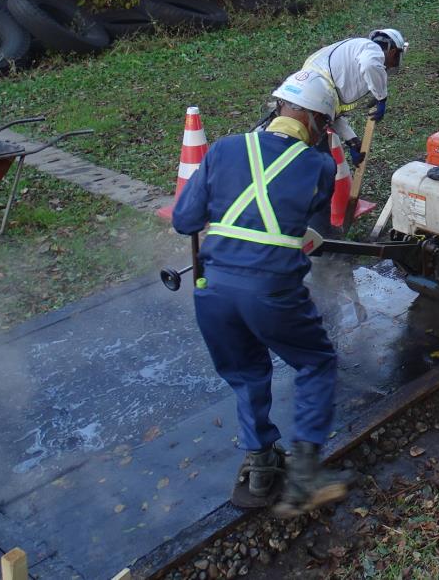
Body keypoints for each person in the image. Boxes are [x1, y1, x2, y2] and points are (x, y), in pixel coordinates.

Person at [172, 69, 353, 517]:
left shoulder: (224, 148)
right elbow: (313, 227)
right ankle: (307, 474)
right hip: (271, 291)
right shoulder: (320, 166)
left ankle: (260, 462)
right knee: (316, 361)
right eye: (324, 126)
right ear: (314, 121)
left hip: (212, 291)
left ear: (278, 108)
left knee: (248, 372)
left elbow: (184, 221)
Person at [298, 30, 407, 162]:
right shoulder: (371, 48)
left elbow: (330, 112)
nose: (388, 66)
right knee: (319, 162)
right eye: (394, 61)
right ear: (394, 51)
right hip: (306, 112)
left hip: (302, 100)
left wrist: (352, 141)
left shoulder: (346, 61)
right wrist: (381, 97)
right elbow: (369, 64)